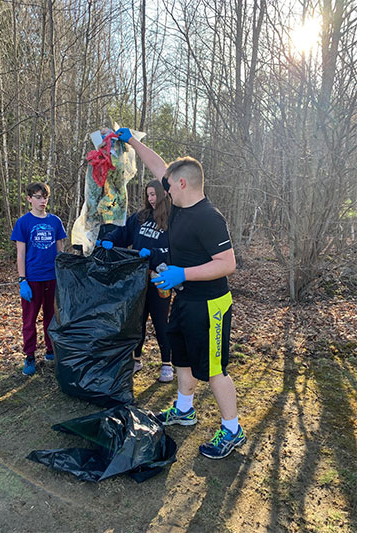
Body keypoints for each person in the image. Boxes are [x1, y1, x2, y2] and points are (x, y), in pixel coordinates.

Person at [114, 127, 246, 460]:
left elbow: (227, 263)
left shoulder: (208, 218)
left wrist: (182, 273)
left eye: (169, 184)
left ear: (182, 184)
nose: (163, 186)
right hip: (184, 299)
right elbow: (159, 166)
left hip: (210, 304)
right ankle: (184, 410)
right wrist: (131, 140)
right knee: (182, 357)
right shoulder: (177, 207)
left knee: (214, 370)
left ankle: (233, 430)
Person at [99, 179, 174, 382]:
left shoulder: (172, 219)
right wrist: (110, 239)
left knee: (160, 321)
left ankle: (167, 363)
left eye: (154, 194)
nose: (151, 199)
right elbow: (124, 233)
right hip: (138, 279)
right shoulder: (140, 217)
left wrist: (154, 253)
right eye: (148, 194)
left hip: (160, 280)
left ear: (164, 194)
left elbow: (174, 251)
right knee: (137, 321)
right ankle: (136, 359)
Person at [10, 182, 67, 376]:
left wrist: (64, 272)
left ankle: (51, 350)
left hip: (52, 278)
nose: (42, 201)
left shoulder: (55, 222)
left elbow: (60, 250)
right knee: (29, 320)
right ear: (29, 199)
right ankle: (30, 356)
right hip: (33, 279)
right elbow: (20, 253)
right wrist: (22, 279)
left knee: (52, 317)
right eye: (38, 197)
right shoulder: (23, 223)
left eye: (45, 197)